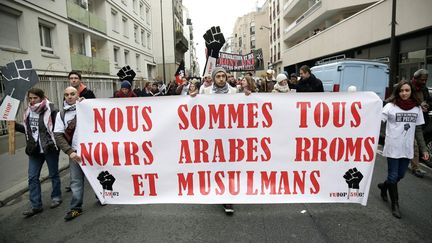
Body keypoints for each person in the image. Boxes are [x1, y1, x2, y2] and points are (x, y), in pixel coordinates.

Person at [377, 80, 429, 219]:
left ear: (411, 91)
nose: (404, 93)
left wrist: (424, 149)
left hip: (407, 148)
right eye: (401, 90)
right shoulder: (390, 106)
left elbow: (418, 131)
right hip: (393, 146)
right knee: (393, 175)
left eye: (407, 90)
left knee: (400, 175)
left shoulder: (417, 108)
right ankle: (395, 205)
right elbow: (378, 121)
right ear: (397, 92)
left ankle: (384, 186)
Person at [196, 67, 237, 214]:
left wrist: (248, 96)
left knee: (229, 166)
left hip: (230, 135)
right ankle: (217, 189)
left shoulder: (234, 91)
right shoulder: (205, 92)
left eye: (223, 76)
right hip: (212, 136)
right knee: (216, 165)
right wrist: (192, 97)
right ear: (213, 78)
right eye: (218, 76)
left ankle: (228, 198)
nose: (221, 79)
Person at [15, 88, 62, 217]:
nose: (32, 100)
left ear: (41, 97)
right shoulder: (28, 112)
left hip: (49, 148)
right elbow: (26, 130)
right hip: (34, 150)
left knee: (53, 174)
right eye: (30, 98)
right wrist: (13, 125)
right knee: (32, 177)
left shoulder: (51, 111)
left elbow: (57, 129)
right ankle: (36, 205)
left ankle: (56, 197)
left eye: (35, 98)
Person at [53, 87, 84, 221]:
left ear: (78, 94)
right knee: (76, 181)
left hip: (92, 150)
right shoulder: (61, 114)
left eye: (72, 94)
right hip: (75, 152)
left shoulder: (87, 106)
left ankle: (101, 197)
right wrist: (70, 152)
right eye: (66, 95)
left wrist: (86, 103)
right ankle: (76, 208)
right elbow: (58, 135)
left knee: (97, 176)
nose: (69, 97)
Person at [409, 69, 431, 177]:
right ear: (416, 78)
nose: (424, 82)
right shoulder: (407, 87)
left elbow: (429, 100)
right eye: (422, 80)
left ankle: (414, 165)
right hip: (408, 120)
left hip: (421, 119)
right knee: (414, 144)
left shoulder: (424, 88)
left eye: (426, 80)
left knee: (418, 142)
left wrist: (427, 105)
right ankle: (415, 167)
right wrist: (418, 105)